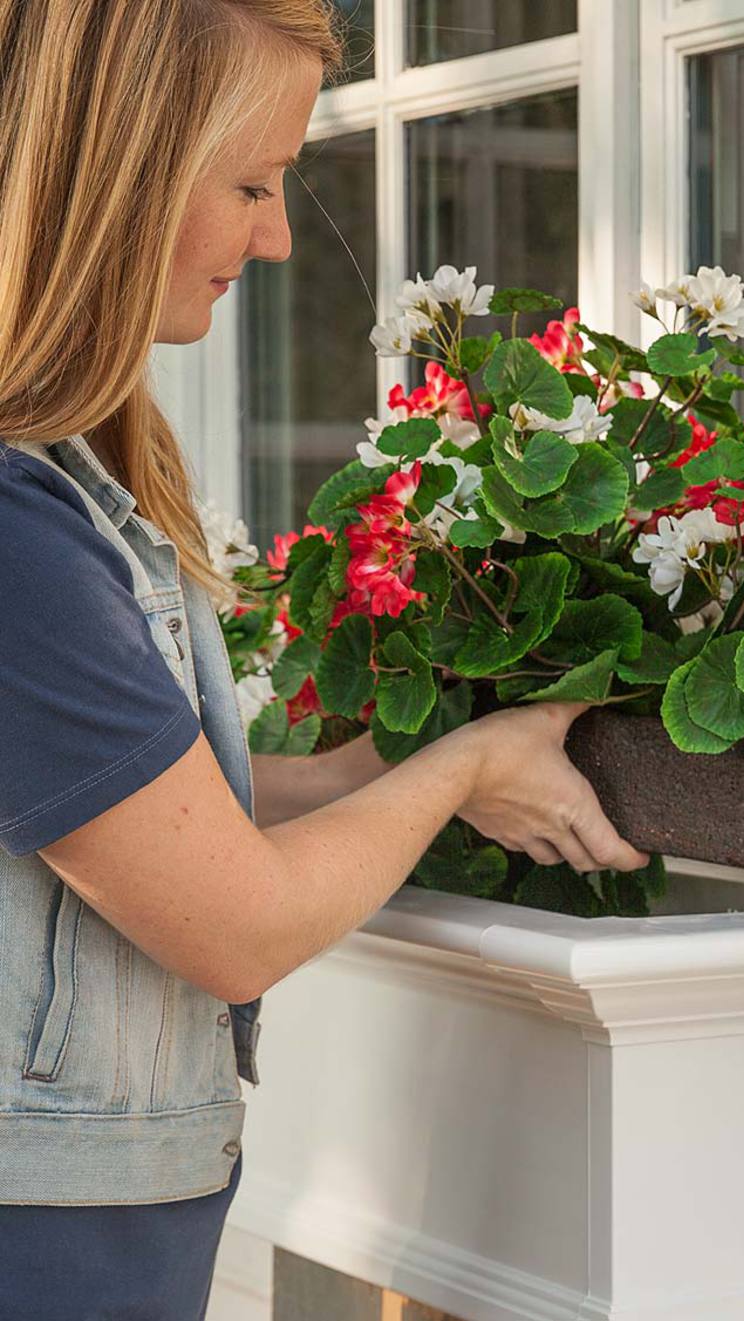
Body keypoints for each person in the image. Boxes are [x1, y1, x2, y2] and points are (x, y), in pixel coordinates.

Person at [0, 3, 647, 1316]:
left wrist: (359, 769)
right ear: (112, 180)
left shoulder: (62, 491)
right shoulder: (19, 536)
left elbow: (124, 808)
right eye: (250, 182)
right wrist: (464, 767)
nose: (279, 234)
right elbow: (239, 923)